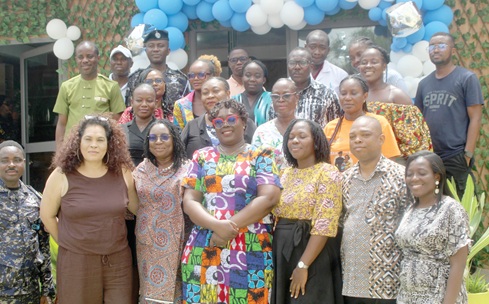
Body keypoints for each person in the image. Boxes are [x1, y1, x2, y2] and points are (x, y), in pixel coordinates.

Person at [181, 99, 282, 304]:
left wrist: (229, 228)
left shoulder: (261, 154)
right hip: (205, 244)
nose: (224, 124)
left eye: (231, 119)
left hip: (250, 246)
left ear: (244, 122)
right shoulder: (201, 156)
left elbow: (270, 197)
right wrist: (218, 227)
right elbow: (190, 201)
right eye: (218, 122)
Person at [40, 115, 139, 304]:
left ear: (110, 144)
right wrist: (68, 242)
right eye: (88, 139)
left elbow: (137, 209)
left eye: (100, 140)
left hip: (118, 262)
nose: (94, 145)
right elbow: (47, 215)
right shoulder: (62, 174)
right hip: (77, 263)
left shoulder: (123, 172)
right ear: (78, 142)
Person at [271, 119, 343, 304]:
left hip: (312, 250)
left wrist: (303, 265)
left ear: (316, 141)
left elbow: (324, 223)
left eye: (302, 136)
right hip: (284, 250)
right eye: (291, 137)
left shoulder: (328, 172)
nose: (295, 141)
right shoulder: (285, 174)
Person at [341, 116, 409, 303]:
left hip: (387, 282)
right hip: (352, 282)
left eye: (365, 135)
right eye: (353, 136)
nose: (357, 140)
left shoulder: (401, 177)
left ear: (381, 139)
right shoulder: (344, 179)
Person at [415, 32, 484, 197]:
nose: (435, 50)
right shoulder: (424, 84)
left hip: (456, 156)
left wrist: (467, 154)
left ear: (452, 51)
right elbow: (418, 120)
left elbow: (476, 117)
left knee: (460, 206)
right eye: (432, 46)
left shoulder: (466, 78)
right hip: (430, 157)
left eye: (441, 45)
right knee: (433, 206)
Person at [396, 151, 470, 304]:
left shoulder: (450, 209)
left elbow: (458, 263)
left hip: (438, 296)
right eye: (409, 174)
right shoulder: (411, 210)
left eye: (421, 173)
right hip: (407, 297)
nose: (414, 178)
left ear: (437, 177)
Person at [133, 120, 189, 304]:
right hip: (147, 241)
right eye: (153, 137)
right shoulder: (141, 169)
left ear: (174, 140)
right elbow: (132, 204)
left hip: (179, 240)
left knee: (179, 290)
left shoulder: (187, 169)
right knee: (149, 290)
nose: (158, 141)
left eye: (164, 136)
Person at [0, 140, 55, 303]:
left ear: (24, 163)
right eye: (4, 160)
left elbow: (43, 245)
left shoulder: (35, 200)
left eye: (16, 160)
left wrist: (46, 289)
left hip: (29, 292)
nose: (11, 165)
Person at [53, 41, 126, 149]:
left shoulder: (111, 86)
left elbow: (117, 123)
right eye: (80, 57)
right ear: (76, 60)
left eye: (90, 56)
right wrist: (60, 152)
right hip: (73, 149)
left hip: (100, 147)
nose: (85, 60)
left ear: (98, 58)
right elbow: (61, 124)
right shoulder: (66, 87)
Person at [324, 75, 400, 169]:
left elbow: (390, 159)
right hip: (338, 182)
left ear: (365, 96)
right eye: (343, 93)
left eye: (353, 93)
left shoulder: (379, 123)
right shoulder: (330, 127)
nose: (347, 98)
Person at [181, 77, 256, 159]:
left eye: (215, 91)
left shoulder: (245, 122)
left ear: (228, 94)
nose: (210, 96)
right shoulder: (192, 126)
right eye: (205, 93)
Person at [126, 30, 190, 117]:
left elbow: (186, 111)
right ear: (146, 51)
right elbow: (129, 110)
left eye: (160, 46)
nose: (156, 49)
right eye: (151, 46)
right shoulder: (136, 78)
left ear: (168, 51)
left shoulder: (180, 79)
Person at [252, 78, 298, 172]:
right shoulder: (262, 131)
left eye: (286, 95)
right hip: (270, 184)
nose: (281, 100)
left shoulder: (308, 128)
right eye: (276, 96)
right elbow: (253, 165)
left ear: (297, 98)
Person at [287, 47, 341, 128]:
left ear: (311, 65)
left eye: (302, 62)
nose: (297, 67)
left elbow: (336, 128)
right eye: (292, 63)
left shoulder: (327, 94)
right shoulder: (279, 93)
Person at [173, 59, 215, 129]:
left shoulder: (221, 101)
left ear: (212, 76)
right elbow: (178, 134)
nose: (195, 78)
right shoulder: (181, 105)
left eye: (201, 75)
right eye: (191, 75)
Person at [122, 83, 157, 166]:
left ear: (155, 103)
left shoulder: (164, 130)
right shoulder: (121, 130)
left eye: (149, 100)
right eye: (139, 100)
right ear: (132, 102)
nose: (144, 104)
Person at [305, 29, 348, 96]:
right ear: (305, 47)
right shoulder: (297, 75)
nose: (317, 52)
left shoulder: (340, 75)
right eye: (313, 47)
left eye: (322, 48)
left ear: (328, 50)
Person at [233, 59, 274, 126]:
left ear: (263, 80)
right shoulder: (233, 101)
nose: (252, 79)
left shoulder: (273, 99)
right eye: (248, 75)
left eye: (257, 76)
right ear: (242, 78)